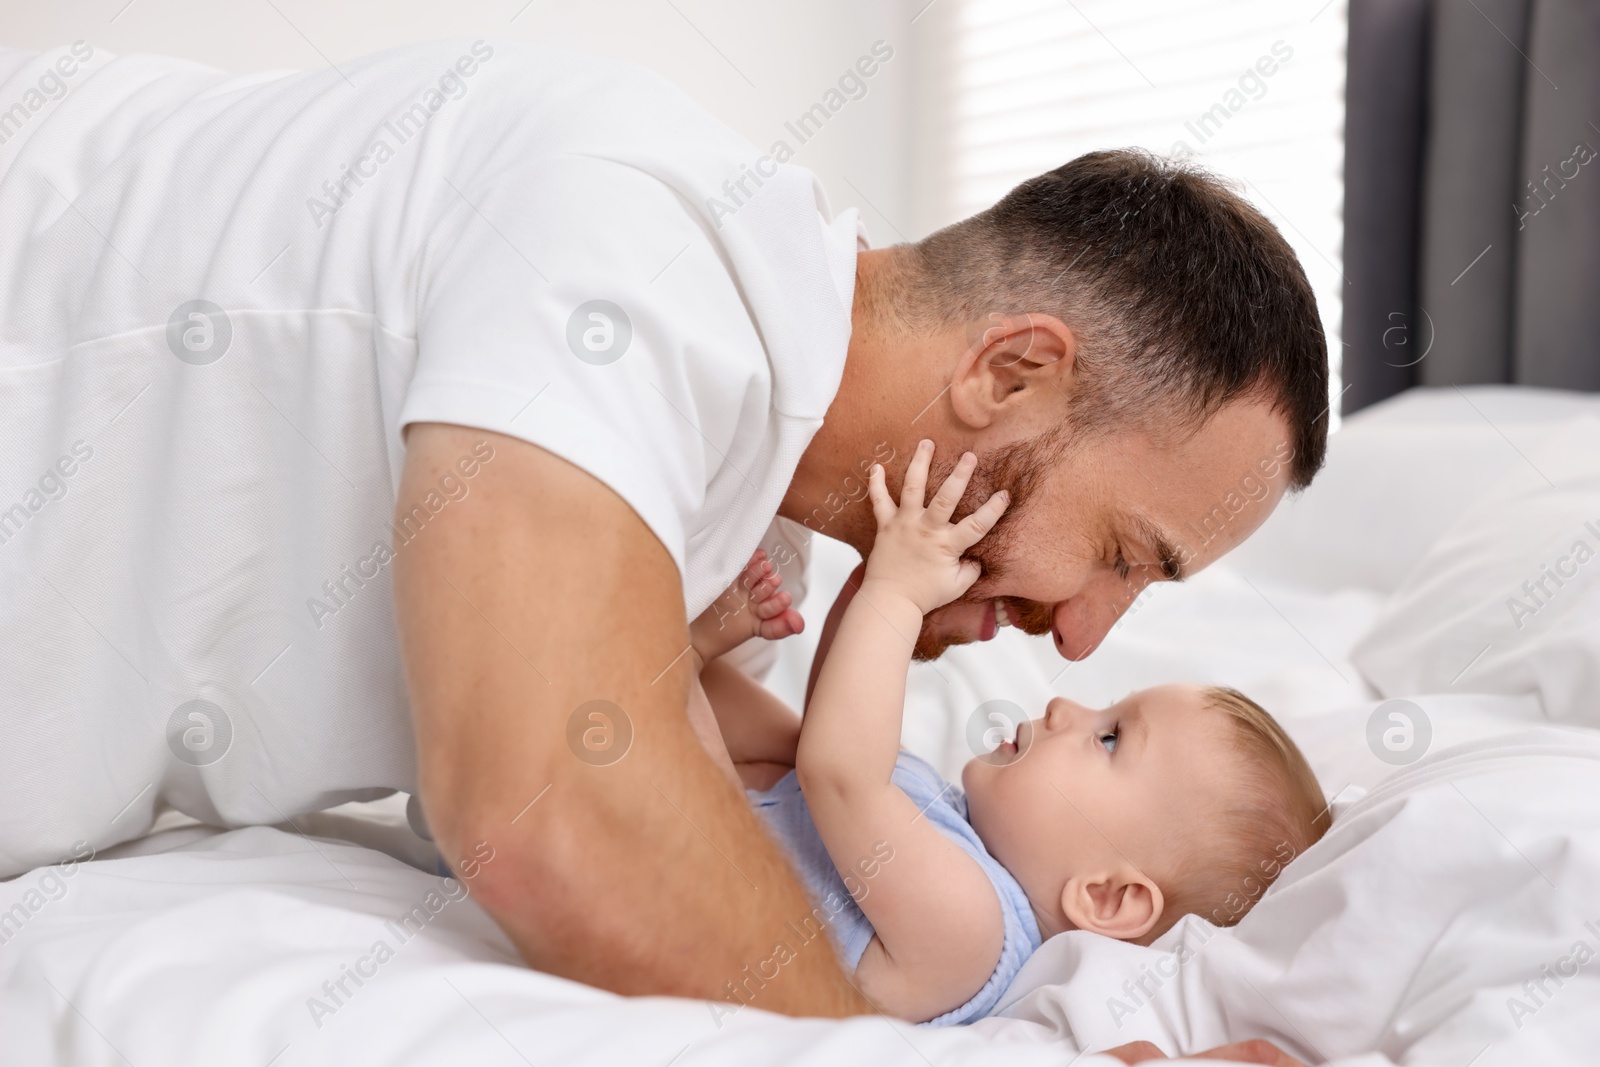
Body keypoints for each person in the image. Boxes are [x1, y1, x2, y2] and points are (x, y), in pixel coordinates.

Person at [0, 36, 1328, 1035]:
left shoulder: (754, 522)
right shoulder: (649, 254)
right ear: (1013, 376)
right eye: (1124, 552)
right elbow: (546, 810)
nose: (1085, 632)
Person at [688, 443, 1329, 1026]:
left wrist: (898, 591)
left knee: (716, 748)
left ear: (1105, 897)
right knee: (780, 741)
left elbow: (842, 776)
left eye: (1109, 739)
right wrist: (876, 594)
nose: (1062, 708)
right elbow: (831, 730)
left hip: (687, 897)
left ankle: (674, 661)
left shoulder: (972, 934)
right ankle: (677, 663)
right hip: (738, 813)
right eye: (1104, 712)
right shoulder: (953, 819)